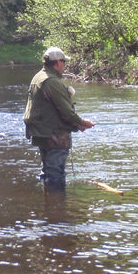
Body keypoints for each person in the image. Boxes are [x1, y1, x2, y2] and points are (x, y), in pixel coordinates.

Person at [23, 47, 95, 189]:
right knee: (56, 175)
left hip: (41, 132)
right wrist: (81, 123)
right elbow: (66, 111)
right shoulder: (52, 81)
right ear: (57, 63)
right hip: (54, 135)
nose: (64, 65)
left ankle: (48, 206)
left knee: (47, 172)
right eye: (63, 62)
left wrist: (77, 124)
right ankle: (57, 206)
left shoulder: (38, 77)